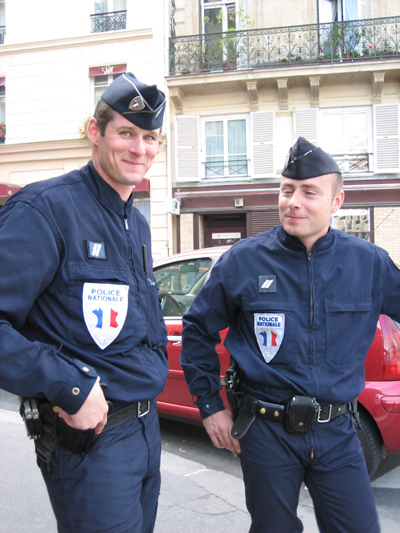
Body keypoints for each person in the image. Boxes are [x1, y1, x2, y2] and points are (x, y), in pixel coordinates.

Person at [181, 137, 400, 533]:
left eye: (309, 192)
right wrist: (209, 406)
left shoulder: (369, 263)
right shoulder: (244, 260)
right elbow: (197, 329)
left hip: (336, 431)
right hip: (265, 432)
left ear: (336, 202)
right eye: (287, 190)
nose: (293, 201)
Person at [0, 72, 169, 533]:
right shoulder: (45, 210)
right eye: (126, 133)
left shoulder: (137, 223)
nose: (139, 148)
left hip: (144, 433)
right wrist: (67, 384)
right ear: (94, 133)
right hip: (92, 443)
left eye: (150, 137)